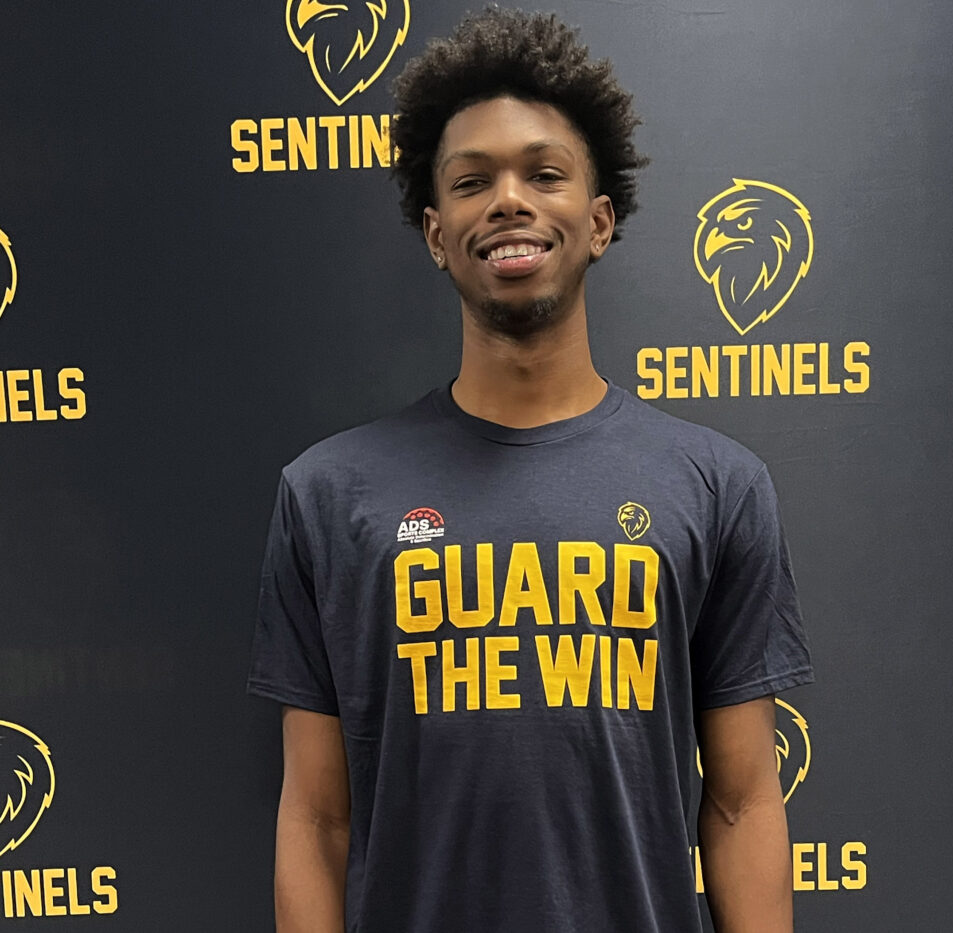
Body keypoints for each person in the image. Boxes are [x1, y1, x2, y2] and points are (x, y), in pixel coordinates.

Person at [248, 8, 813, 932]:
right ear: (437, 234)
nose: (509, 200)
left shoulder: (718, 486)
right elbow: (315, 820)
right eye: (473, 181)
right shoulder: (326, 495)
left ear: (598, 221)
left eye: (544, 174)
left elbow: (743, 802)